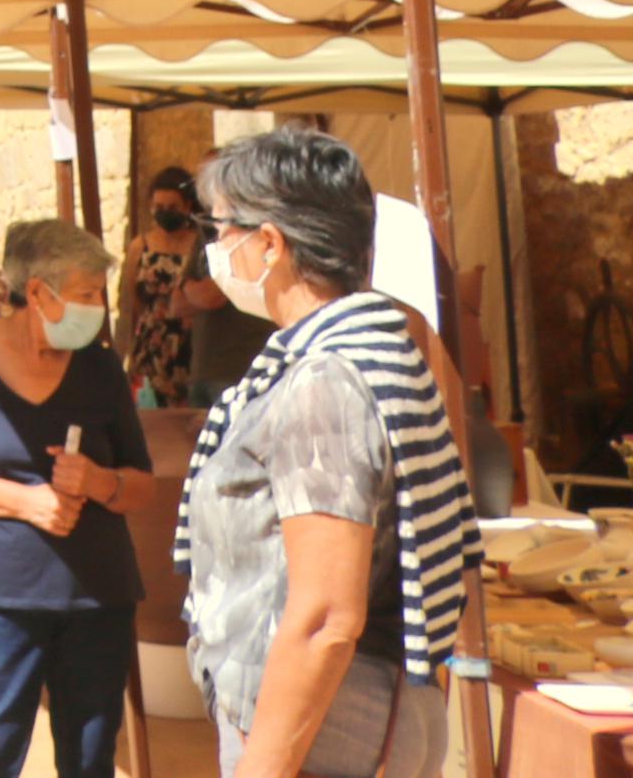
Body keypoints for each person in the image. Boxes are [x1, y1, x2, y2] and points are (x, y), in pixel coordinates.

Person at [175, 130, 470, 778]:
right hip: (348, 714)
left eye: (220, 228)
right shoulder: (371, 348)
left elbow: (324, 617)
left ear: (270, 243)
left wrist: (263, 765)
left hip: (324, 727)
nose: (213, 249)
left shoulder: (324, 381)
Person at [0, 220, 151, 778]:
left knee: (90, 762)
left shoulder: (101, 367)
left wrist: (97, 481)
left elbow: (142, 483)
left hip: (97, 602)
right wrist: (28, 503)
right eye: (87, 294)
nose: (98, 308)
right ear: (39, 293)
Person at [114, 167, 199, 407]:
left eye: (172, 207)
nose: (165, 213)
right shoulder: (140, 247)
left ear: (187, 206)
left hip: (189, 345)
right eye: (158, 207)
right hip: (150, 347)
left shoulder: (198, 246)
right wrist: (124, 352)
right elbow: (129, 303)